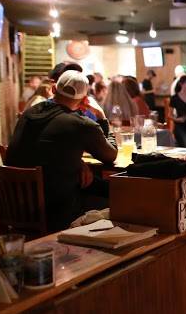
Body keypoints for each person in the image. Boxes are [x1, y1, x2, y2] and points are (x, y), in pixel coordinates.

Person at [6, 70, 118, 232]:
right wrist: (101, 117)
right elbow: (110, 155)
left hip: (15, 204)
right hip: (57, 211)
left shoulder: (29, 113)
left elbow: (42, 146)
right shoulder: (82, 124)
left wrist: (77, 161)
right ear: (84, 100)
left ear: (53, 89)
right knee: (117, 196)